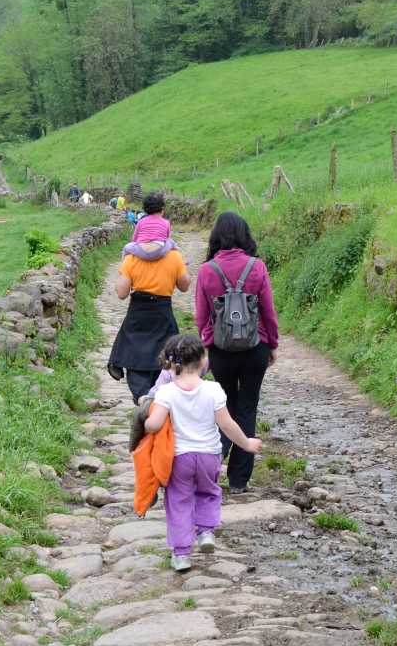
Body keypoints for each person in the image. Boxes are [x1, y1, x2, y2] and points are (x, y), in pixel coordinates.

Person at [142, 334, 262, 572]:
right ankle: (206, 532)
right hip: (209, 455)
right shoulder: (214, 389)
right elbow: (227, 425)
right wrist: (247, 444)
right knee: (208, 492)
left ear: (170, 363)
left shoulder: (166, 392)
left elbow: (154, 424)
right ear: (203, 362)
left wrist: (145, 424)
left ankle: (182, 554)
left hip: (179, 458)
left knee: (178, 501)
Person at [194, 212, 279, 494]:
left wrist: (208, 342)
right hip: (256, 346)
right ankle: (240, 480)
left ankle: (214, 460)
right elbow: (268, 310)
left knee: (224, 405)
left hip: (221, 350)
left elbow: (201, 315)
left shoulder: (207, 270)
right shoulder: (257, 267)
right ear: (244, 234)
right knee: (248, 406)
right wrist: (272, 344)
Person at [108, 209, 191, 403]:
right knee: (166, 356)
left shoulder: (131, 258)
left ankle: (142, 398)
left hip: (138, 313)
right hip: (163, 312)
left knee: (135, 358)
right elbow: (185, 286)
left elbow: (121, 294)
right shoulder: (173, 256)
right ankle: (159, 401)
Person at [123, 193, 176, 261]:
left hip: (142, 251)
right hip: (159, 251)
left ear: (145, 209)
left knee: (126, 247)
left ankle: (125, 264)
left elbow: (134, 239)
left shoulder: (141, 221)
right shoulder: (166, 222)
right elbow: (167, 237)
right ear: (162, 209)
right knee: (170, 241)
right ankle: (178, 258)